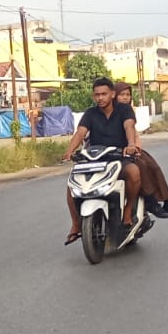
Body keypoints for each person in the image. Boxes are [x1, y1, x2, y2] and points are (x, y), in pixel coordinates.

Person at [60, 77, 142, 244]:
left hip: (119, 157)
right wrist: (69, 151)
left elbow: (129, 127)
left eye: (104, 94)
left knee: (134, 173)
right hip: (94, 158)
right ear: (93, 96)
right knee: (72, 184)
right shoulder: (90, 113)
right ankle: (76, 224)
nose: (100, 98)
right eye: (97, 95)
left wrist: (131, 145)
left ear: (112, 94)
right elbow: (80, 133)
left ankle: (127, 212)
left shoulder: (124, 110)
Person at [113, 85, 168, 220]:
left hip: (131, 149)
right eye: (122, 94)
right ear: (114, 95)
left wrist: (136, 148)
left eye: (127, 95)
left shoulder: (128, 111)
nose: (125, 97)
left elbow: (134, 133)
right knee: (141, 167)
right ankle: (151, 201)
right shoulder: (110, 111)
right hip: (116, 152)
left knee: (154, 167)